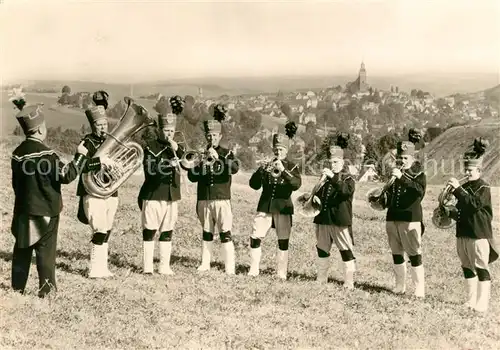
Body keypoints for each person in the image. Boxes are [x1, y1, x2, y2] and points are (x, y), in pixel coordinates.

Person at [10, 95, 88, 297]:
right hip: (47, 212)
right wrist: (80, 155)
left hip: (23, 211)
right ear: (40, 129)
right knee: (46, 252)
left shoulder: (17, 154)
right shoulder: (48, 155)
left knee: (22, 250)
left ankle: (17, 289)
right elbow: (68, 175)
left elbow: (16, 185)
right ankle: (47, 291)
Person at [370, 131, 426, 298]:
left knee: (414, 254)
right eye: (400, 159)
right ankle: (400, 285)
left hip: (410, 219)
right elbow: (391, 195)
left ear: (413, 159)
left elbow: (418, 193)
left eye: (406, 159)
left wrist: (401, 178)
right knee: (396, 253)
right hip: (392, 218)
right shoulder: (394, 175)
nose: (402, 162)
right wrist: (381, 198)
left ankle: (419, 289)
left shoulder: (419, 175)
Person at [446, 137, 498, 312]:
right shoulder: (465, 186)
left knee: (481, 267)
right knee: (467, 267)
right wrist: (448, 210)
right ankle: (470, 301)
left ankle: (482, 303)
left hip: (478, 233)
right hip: (463, 232)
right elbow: (462, 210)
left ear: (479, 170)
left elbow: (474, 205)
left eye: (470, 170)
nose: (467, 173)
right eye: (466, 170)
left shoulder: (484, 187)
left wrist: (458, 190)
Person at [138, 96, 187, 275]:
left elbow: (189, 164)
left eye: (172, 130)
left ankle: (164, 266)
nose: (169, 134)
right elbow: (149, 170)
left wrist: (178, 149)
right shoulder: (150, 146)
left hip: (172, 195)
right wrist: (168, 165)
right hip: (153, 194)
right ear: (160, 130)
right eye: (166, 130)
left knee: (167, 231)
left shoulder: (177, 147)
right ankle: (147, 267)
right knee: (149, 231)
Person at [187, 106, 239, 274]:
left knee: (225, 232)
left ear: (220, 136)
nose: (212, 138)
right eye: (209, 135)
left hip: (222, 197)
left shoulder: (227, 152)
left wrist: (220, 158)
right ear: (206, 136)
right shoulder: (201, 154)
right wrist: (200, 162)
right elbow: (192, 177)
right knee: (207, 232)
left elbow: (235, 168)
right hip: (204, 198)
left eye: (215, 135)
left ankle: (229, 267)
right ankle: (205, 263)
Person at [248, 125, 301, 280]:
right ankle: (253, 269)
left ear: (287, 150)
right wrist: (261, 171)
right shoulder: (267, 164)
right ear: (273, 150)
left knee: (283, 240)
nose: (279, 152)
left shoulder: (292, 166)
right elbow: (254, 185)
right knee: (255, 236)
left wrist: (283, 170)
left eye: (282, 150)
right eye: (276, 149)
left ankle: (281, 272)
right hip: (265, 206)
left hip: (283, 207)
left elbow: (296, 184)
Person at [76, 91, 119, 278]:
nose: (103, 128)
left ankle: (103, 267)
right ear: (93, 125)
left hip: (111, 192)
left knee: (107, 229)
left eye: (105, 124)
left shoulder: (112, 141)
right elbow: (80, 165)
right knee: (99, 229)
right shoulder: (86, 142)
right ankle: (94, 268)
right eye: (99, 125)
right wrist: (99, 162)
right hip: (92, 192)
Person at [311, 133, 356, 288]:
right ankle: (321, 278)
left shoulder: (347, 178)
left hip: (340, 220)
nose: (332, 165)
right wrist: (315, 196)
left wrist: (333, 178)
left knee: (346, 250)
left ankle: (349, 282)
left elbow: (345, 192)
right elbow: (317, 194)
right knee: (322, 249)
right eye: (330, 162)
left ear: (342, 162)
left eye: (336, 162)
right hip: (323, 219)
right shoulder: (325, 178)